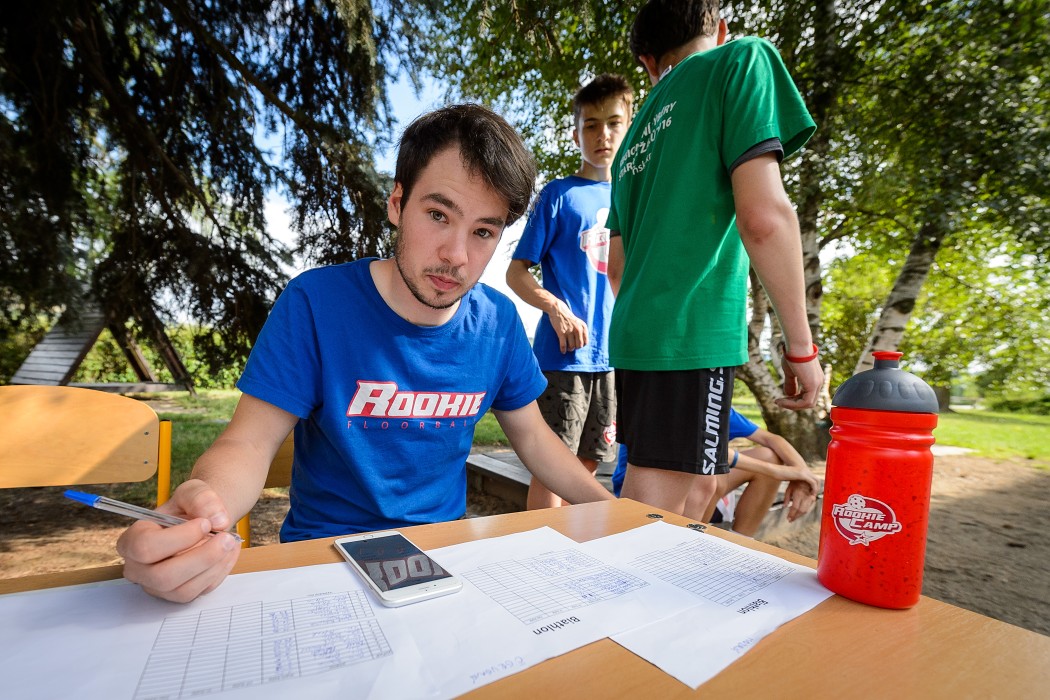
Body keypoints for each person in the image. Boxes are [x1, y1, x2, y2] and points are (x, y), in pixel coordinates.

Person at [117, 104, 615, 603]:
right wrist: (204, 511)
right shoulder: (316, 303)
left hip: (442, 567)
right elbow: (249, 443)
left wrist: (615, 511)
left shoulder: (499, 322)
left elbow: (534, 438)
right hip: (321, 566)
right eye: (438, 215)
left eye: (483, 231)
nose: (457, 255)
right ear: (397, 203)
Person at [606, 0, 825, 518]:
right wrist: (800, 348)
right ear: (721, 29)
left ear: (647, 61)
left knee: (700, 490)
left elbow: (617, 265)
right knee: (652, 512)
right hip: (689, 334)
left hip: (640, 333)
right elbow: (763, 217)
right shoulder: (741, 60)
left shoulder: (634, 136)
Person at [506, 74, 634, 509]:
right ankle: (537, 562)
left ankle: (570, 557)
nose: (603, 134)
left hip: (615, 359)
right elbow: (516, 272)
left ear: (630, 124)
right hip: (565, 359)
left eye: (614, 122)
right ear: (576, 132)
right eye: (591, 124)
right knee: (552, 470)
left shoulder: (635, 198)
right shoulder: (559, 196)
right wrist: (556, 308)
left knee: (587, 466)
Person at [611, 408, 820, 537]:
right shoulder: (672, 395)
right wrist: (778, 471)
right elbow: (697, 448)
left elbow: (773, 440)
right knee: (708, 471)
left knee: (768, 455)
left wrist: (802, 477)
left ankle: (740, 543)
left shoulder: (713, 405)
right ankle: (687, 544)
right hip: (647, 488)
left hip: (694, 481)